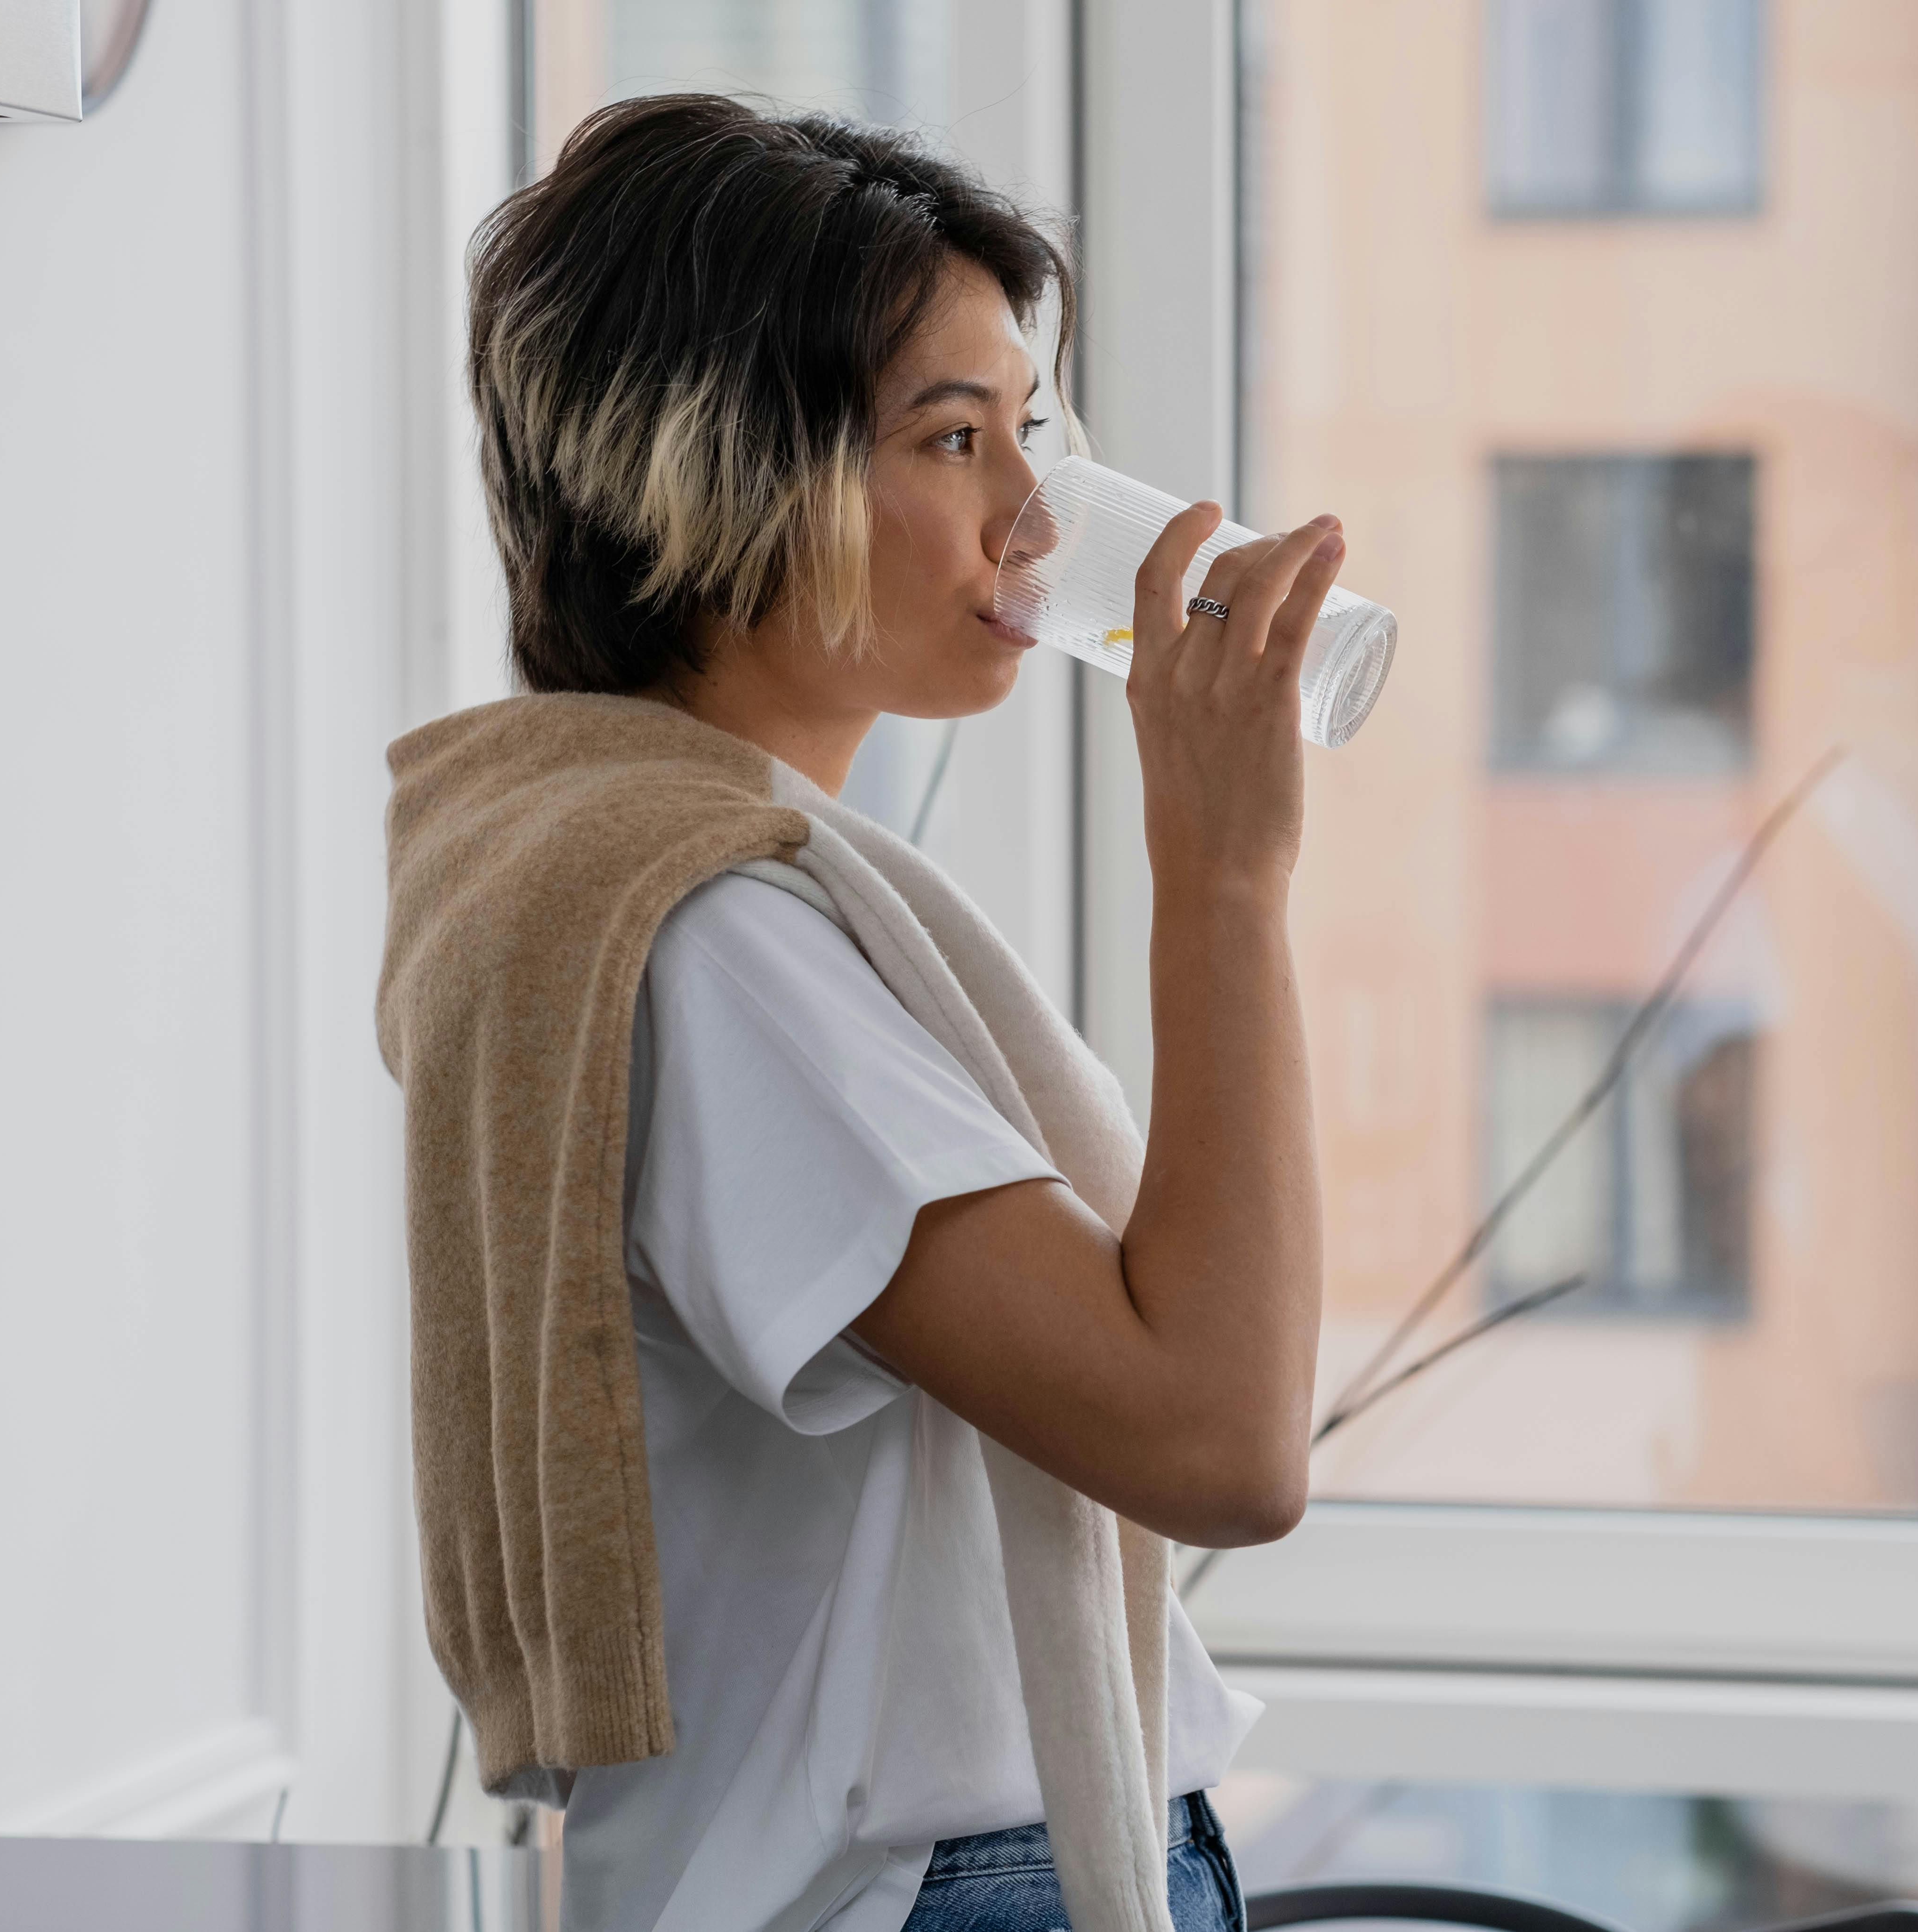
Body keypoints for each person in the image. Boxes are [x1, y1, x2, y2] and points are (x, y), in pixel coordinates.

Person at [402, 94, 1335, 1932]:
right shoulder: (714, 942)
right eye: (953, 437)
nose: (1033, 519)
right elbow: (1222, 1443)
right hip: (937, 1891)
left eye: (1032, 432)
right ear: (725, 472)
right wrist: (1225, 878)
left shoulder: (679, 884)